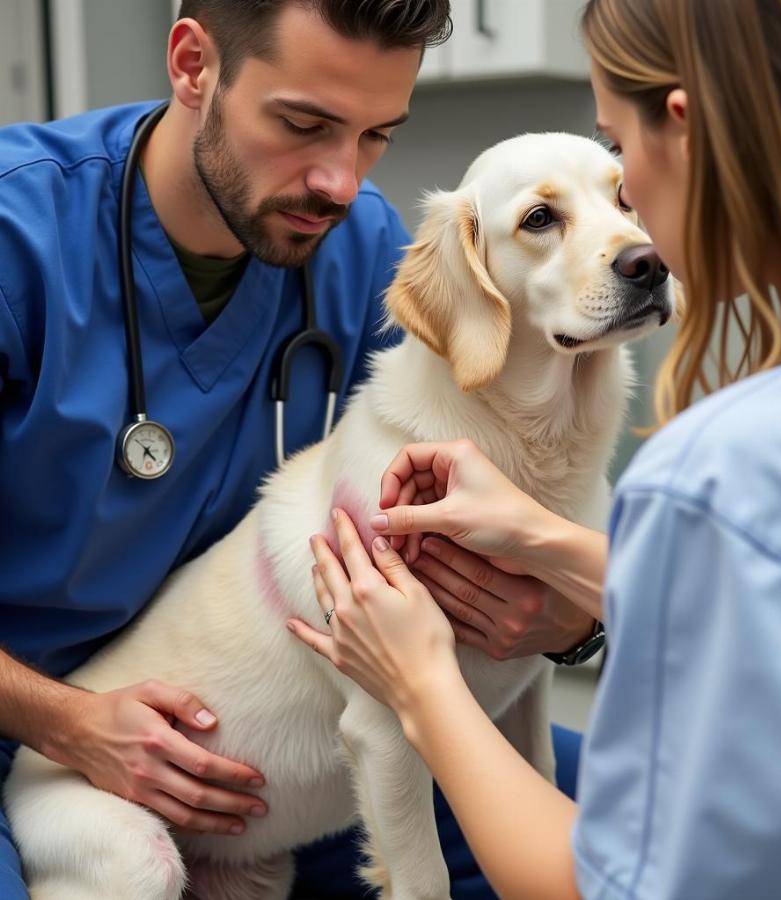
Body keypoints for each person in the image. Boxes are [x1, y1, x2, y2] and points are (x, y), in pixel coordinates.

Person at [288, 0, 781, 896]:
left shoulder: (716, 476)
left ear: (680, 133)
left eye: (615, 159)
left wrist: (421, 680)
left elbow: (618, 887)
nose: (632, 238)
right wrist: (551, 544)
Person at [0, 2, 599, 897]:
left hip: (269, 741)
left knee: (639, 823)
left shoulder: (356, 250)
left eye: (375, 136)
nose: (341, 180)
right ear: (194, 64)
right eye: (304, 125)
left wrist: (567, 627)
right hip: (35, 741)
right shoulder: (20, 240)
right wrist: (67, 720)